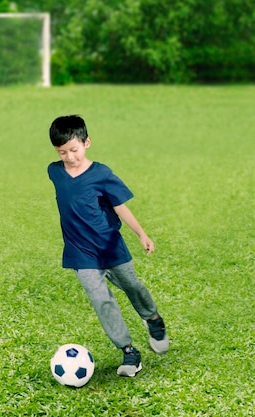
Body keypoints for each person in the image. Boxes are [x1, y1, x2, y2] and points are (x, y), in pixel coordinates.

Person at [47, 115, 169, 377]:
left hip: (110, 247)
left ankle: (153, 319)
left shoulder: (102, 174)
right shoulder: (54, 171)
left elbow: (119, 206)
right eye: (62, 152)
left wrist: (141, 234)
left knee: (133, 287)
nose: (69, 157)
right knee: (101, 300)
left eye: (74, 150)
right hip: (81, 253)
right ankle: (128, 352)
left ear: (87, 142)